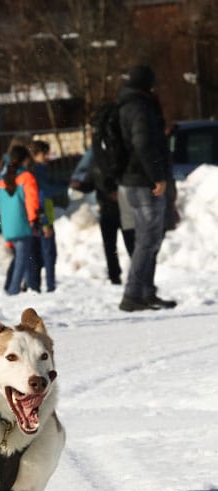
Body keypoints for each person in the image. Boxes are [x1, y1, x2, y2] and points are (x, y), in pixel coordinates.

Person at [117, 64, 176, 312]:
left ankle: (145, 292)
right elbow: (142, 144)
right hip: (144, 182)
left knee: (150, 239)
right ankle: (133, 294)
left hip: (137, 180)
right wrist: (157, 176)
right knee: (148, 239)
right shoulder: (139, 107)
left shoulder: (129, 103)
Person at [69, 147, 135, 285]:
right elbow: (90, 185)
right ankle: (120, 274)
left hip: (114, 211)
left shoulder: (98, 165)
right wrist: (80, 186)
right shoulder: (108, 164)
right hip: (113, 211)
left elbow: (89, 185)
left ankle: (120, 275)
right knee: (121, 245)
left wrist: (81, 186)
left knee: (115, 246)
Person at [0, 144, 40, 295]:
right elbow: (31, 200)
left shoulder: (3, 180)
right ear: (24, 159)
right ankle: (13, 289)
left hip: (9, 226)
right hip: (22, 224)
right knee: (22, 260)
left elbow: (1, 205)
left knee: (24, 257)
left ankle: (31, 287)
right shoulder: (26, 177)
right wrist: (34, 218)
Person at [27, 140, 67, 293]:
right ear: (36, 155)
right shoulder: (37, 172)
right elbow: (44, 193)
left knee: (36, 255)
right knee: (49, 254)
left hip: (39, 217)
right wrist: (66, 184)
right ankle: (48, 286)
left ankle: (35, 286)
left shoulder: (37, 171)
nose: (48, 157)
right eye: (45, 154)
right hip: (43, 218)